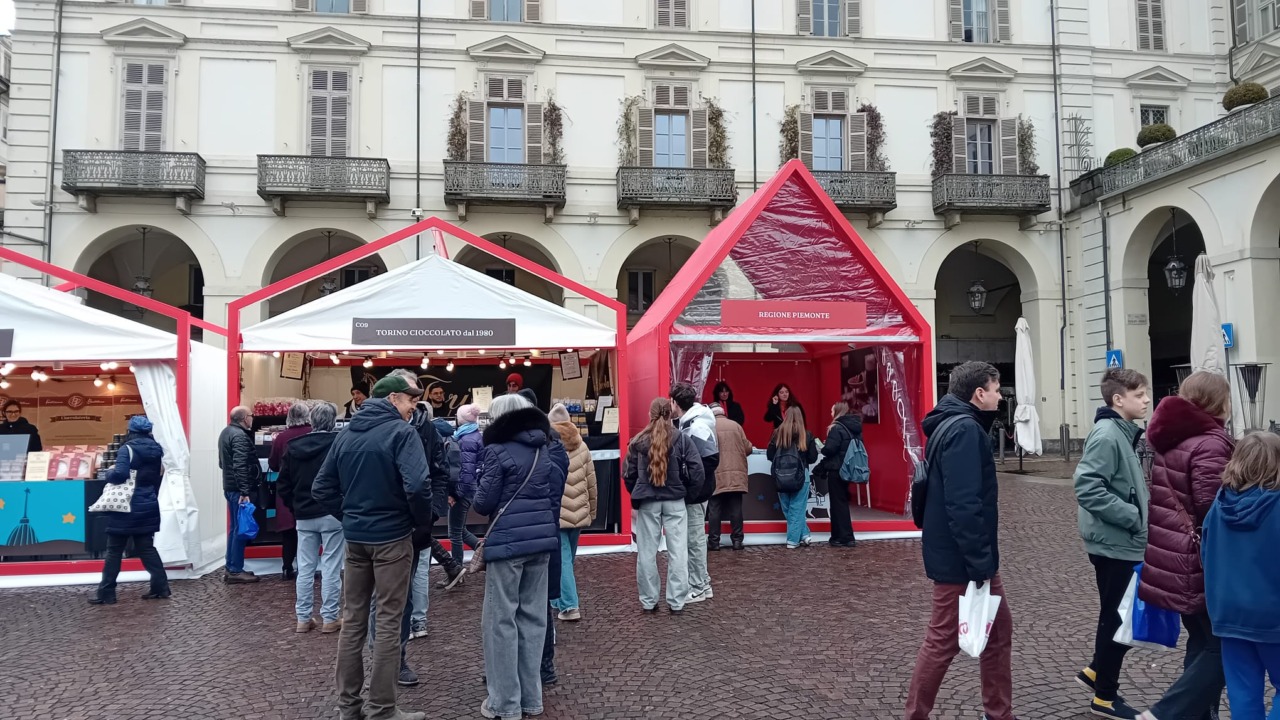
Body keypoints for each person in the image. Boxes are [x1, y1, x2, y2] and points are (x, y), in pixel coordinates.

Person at [313, 374, 430, 720]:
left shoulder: (347, 433)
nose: (413, 408)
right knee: (389, 624)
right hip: (392, 538)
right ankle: (382, 709)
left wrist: (349, 515)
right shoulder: (401, 433)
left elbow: (322, 488)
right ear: (393, 399)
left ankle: (349, 708)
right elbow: (419, 484)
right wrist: (419, 523)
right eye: (410, 400)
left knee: (353, 623)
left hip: (357, 539)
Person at [904, 361, 1015, 720]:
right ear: (979, 393)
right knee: (942, 641)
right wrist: (980, 562)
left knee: (998, 633)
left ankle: (998, 713)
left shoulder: (949, 424)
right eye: (997, 390)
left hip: (960, 556)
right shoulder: (965, 429)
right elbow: (964, 503)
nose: (1001, 397)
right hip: (961, 561)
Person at [1138, 370, 1234, 720]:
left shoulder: (1171, 436)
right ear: (1216, 401)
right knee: (1222, 650)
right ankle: (1164, 713)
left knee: (1202, 641)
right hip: (1199, 561)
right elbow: (1214, 507)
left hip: (1174, 555)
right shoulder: (1209, 442)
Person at [473, 393, 568, 720]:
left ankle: (505, 704)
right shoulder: (545, 448)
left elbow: (483, 504)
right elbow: (554, 493)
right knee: (533, 620)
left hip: (508, 545)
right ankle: (532, 699)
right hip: (541, 542)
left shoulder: (497, 452)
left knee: (500, 622)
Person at [1071, 368, 1151, 720]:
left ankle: (1095, 671)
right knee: (1119, 619)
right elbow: (1087, 486)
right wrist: (1132, 517)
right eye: (1139, 394)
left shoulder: (1120, 431)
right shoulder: (1108, 435)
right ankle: (1104, 696)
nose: (1147, 400)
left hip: (1116, 540)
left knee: (1116, 614)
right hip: (1116, 541)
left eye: (1146, 393)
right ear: (1118, 400)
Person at [1202, 432, 1280, 720]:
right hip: (1273, 615)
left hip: (1228, 614)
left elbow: (1206, 555)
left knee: (1243, 694)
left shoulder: (1220, 505)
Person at [624, 397, 704, 615]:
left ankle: (649, 601)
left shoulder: (638, 440)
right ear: (671, 414)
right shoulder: (682, 439)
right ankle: (676, 601)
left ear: (650, 414)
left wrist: (637, 492)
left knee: (647, 553)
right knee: (678, 552)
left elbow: (628, 474)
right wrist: (687, 496)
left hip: (649, 501)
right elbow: (698, 471)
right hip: (675, 500)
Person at [279, 401, 344, 635]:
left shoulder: (292, 446)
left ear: (312, 421)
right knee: (331, 566)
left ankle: (303, 618)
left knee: (305, 568)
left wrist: (294, 507)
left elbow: (283, 484)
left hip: (304, 515)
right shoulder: (338, 443)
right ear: (333, 421)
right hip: (332, 513)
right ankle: (330, 617)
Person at [89, 415, 169, 605]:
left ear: (131, 430)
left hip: (126, 505)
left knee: (114, 550)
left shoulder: (127, 448)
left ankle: (106, 592)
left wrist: (108, 472)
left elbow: (120, 474)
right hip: (148, 501)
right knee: (147, 548)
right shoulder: (157, 449)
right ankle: (161, 587)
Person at [670, 382, 719, 606]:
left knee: (694, 540)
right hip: (698, 490)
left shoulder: (696, 425)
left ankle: (699, 587)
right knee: (695, 538)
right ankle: (703, 583)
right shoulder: (692, 422)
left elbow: (709, 461)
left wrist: (690, 482)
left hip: (696, 492)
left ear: (675, 403)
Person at [548, 403, 598, 622]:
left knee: (562, 559)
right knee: (568, 558)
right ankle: (559, 599)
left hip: (557, 514)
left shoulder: (548, 446)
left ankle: (569, 606)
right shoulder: (583, 446)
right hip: (578, 513)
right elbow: (591, 483)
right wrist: (592, 511)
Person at [268, 402, 311, 580]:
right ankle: (306, 568)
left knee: (289, 532)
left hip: (286, 489)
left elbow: (273, 463)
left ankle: (287, 567)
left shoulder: (281, 437)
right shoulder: (312, 433)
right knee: (308, 532)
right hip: (308, 487)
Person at [219, 405, 261, 585]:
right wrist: (245, 491)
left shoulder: (226, 432)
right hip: (238, 490)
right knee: (239, 530)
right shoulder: (240, 437)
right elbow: (240, 465)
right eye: (251, 416)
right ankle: (235, 569)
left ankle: (231, 566)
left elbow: (223, 463)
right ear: (244, 418)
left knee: (235, 528)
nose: (253, 418)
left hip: (230, 487)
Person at [767, 406, 819, 549]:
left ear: (786, 416)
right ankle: (794, 540)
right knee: (797, 508)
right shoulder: (807, 435)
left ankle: (803, 535)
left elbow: (770, 455)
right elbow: (813, 458)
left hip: (780, 476)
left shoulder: (777, 433)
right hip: (802, 476)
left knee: (789, 509)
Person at [817, 401, 864, 549]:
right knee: (842, 502)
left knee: (837, 504)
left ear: (837, 411)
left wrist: (822, 447)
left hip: (836, 469)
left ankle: (843, 537)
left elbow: (830, 449)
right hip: (848, 468)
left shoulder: (836, 428)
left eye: (832, 410)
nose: (830, 413)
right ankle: (844, 536)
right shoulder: (854, 428)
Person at [707, 404, 751, 552]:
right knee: (736, 509)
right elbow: (747, 448)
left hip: (715, 474)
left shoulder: (709, 427)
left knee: (714, 509)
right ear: (723, 413)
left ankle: (714, 542)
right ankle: (737, 541)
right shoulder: (736, 426)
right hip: (736, 474)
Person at [450, 403, 484, 566]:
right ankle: (481, 549)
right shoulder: (474, 435)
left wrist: (456, 494)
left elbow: (466, 470)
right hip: (469, 488)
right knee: (460, 529)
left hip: (464, 490)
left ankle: (456, 568)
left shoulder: (465, 439)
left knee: (454, 531)